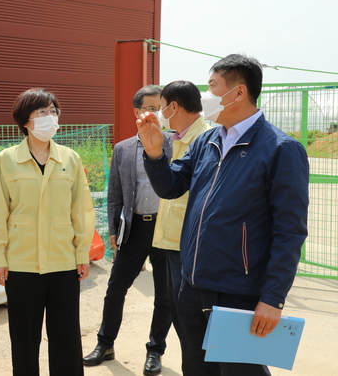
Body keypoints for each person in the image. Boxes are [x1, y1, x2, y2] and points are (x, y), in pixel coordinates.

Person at [137, 54, 309, 376]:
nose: (206, 96)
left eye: (212, 87)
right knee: (198, 369)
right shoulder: (206, 140)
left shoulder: (280, 149)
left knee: (240, 371)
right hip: (192, 283)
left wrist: (273, 298)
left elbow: (290, 231)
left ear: (239, 92)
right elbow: (172, 187)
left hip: (238, 290)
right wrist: (154, 153)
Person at [0, 88, 95, 376]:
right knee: (24, 339)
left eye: (53, 111)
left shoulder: (70, 159)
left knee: (66, 337)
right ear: (26, 121)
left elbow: (81, 210)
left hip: (63, 262)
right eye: (42, 112)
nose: (50, 118)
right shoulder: (6, 160)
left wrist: (81, 251)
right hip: (21, 264)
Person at [83, 85, 174, 376]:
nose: (155, 113)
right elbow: (115, 195)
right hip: (134, 228)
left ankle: (155, 350)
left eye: (160, 107)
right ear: (137, 111)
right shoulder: (122, 149)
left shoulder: (174, 144)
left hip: (166, 230)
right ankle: (105, 343)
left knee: (165, 295)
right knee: (115, 288)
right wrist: (113, 229)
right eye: (149, 107)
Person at [152, 80, 211, 349]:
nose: (160, 113)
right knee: (176, 311)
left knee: (191, 320)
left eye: (162, 107)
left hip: (187, 244)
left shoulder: (205, 140)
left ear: (174, 106)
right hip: (170, 240)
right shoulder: (178, 137)